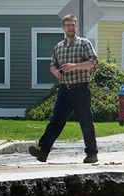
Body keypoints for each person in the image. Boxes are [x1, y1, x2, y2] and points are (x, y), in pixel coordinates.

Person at [28, 14, 99, 164]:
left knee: (86, 121)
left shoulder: (84, 43)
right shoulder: (58, 47)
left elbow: (93, 62)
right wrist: (55, 72)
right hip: (64, 90)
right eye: (67, 25)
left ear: (76, 26)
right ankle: (43, 151)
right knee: (56, 121)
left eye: (72, 25)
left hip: (81, 89)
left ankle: (92, 153)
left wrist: (75, 66)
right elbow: (52, 64)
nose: (70, 27)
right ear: (63, 27)